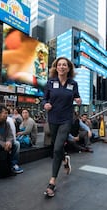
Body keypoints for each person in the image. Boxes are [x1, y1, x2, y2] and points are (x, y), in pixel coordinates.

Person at [42, 56, 81, 197]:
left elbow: (77, 97)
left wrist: (78, 100)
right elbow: (44, 99)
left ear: (69, 68)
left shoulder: (73, 84)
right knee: (56, 145)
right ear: (56, 67)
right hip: (52, 118)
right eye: (60, 65)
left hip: (66, 119)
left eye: (65, 65)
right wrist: (45, 104)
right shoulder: (50, 83)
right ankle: (65, 158)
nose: (62, 67)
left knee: (57, 148)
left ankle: (52, 182)